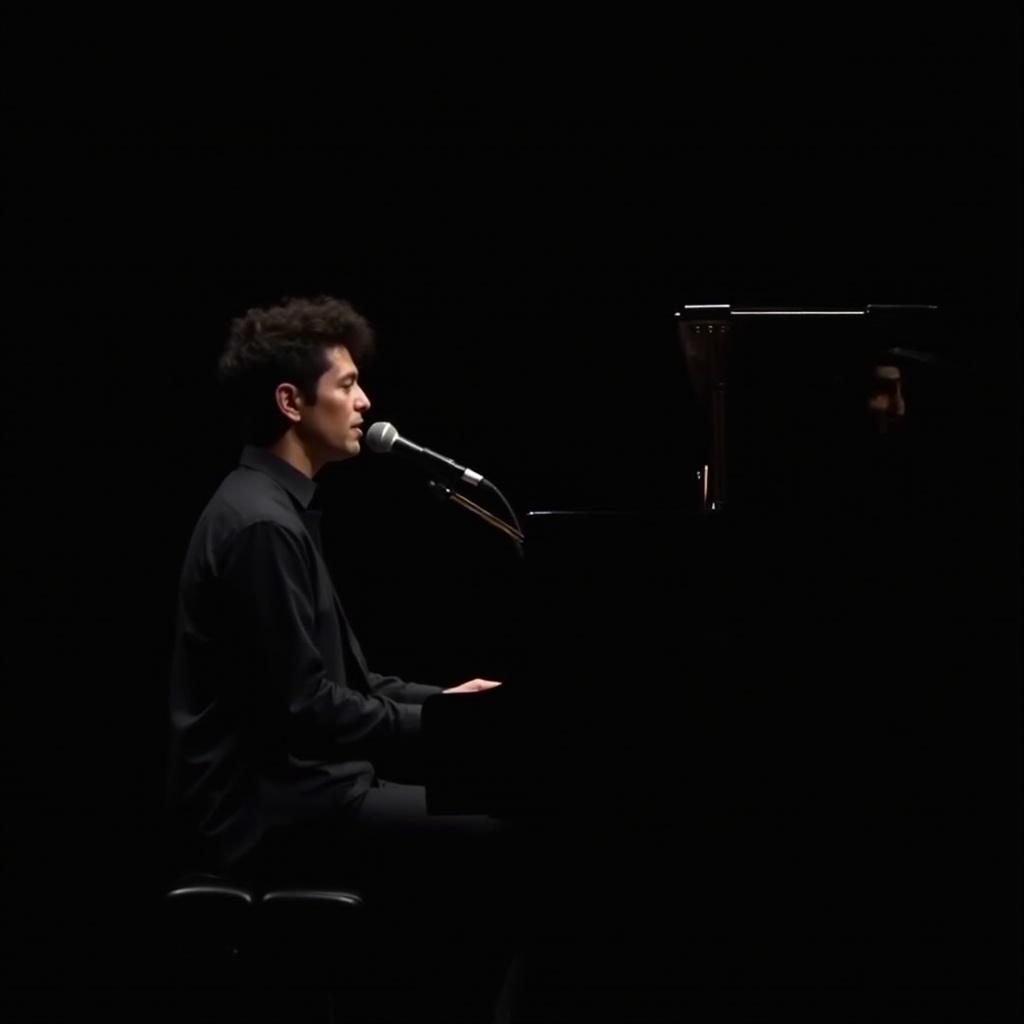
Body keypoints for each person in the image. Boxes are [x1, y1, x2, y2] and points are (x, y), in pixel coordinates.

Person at [166, 295, 525, 1022]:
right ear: (291, 402)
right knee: (505, 839)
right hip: (270, 810)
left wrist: (449, 702)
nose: (364, 403)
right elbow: (307, 709)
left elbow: (344, 682)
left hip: (299, 787)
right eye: (348, 386)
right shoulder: (261, 525)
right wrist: (448, 731)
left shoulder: (273, 508)